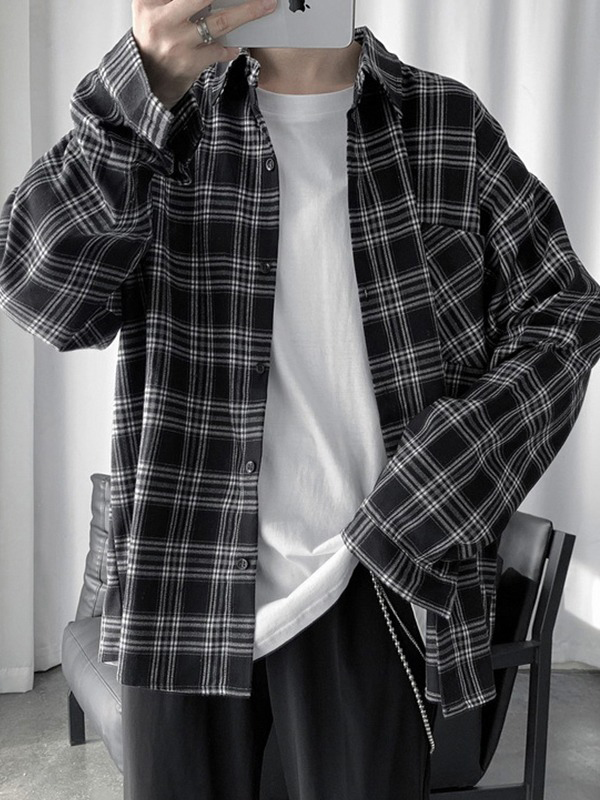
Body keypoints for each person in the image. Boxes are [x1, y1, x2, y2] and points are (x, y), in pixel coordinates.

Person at [1, 1, 600, 798]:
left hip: (375, 582)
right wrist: (137, 92)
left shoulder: (445, 122)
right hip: (184, 584)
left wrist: (428, 496)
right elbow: (44, 298)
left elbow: (566, 313)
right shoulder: (164, 126)